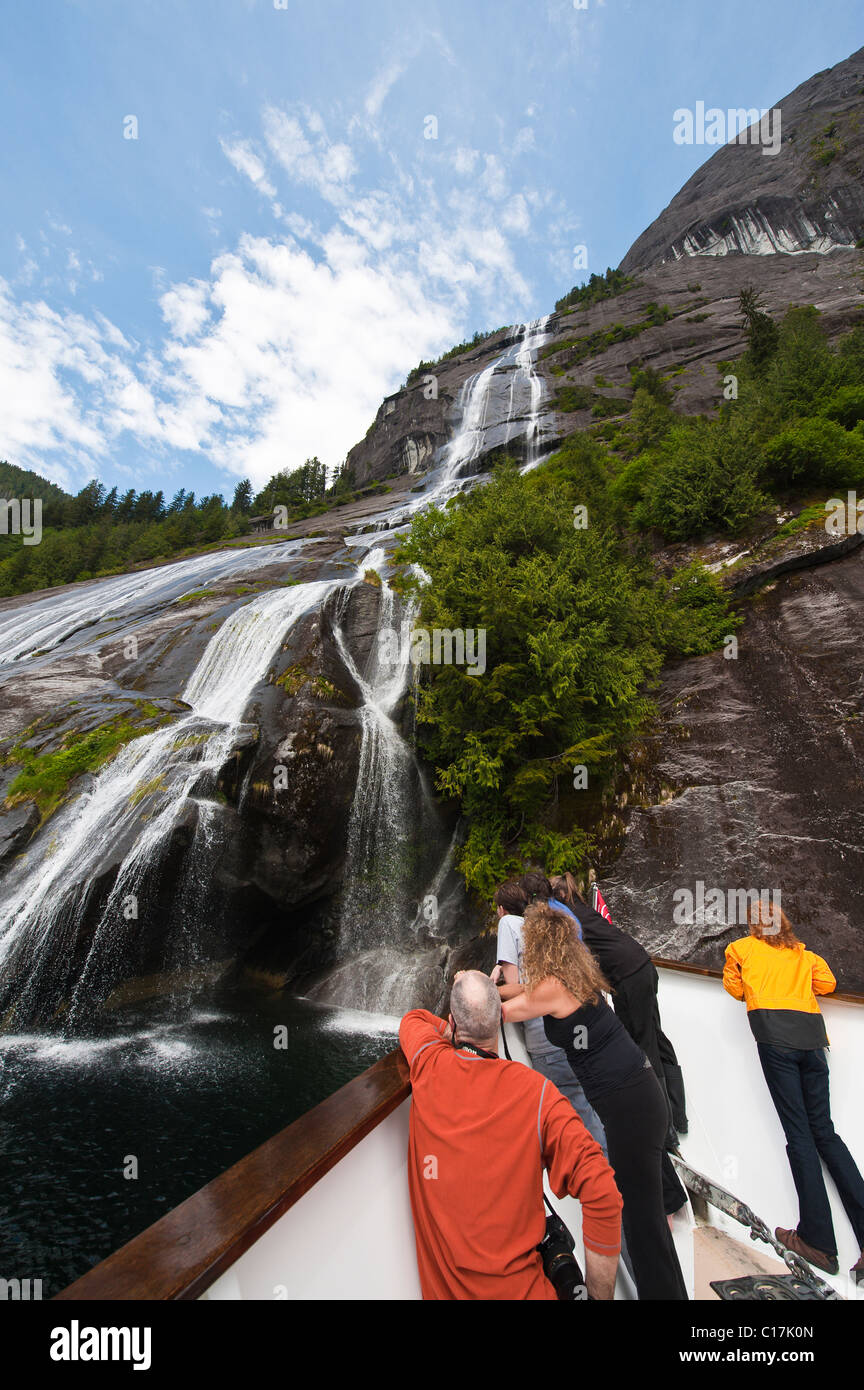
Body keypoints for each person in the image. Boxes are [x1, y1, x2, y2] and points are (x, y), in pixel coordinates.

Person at [399, 970, 623, 1300]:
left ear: (454, 1022)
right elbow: (604, 1196)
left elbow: (413, 1019)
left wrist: (452, 1031)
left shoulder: (428, 1064)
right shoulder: (538, 1095)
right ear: (499, 1022)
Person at [503, 904, 689, 1300]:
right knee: (650, 1222)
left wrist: (470, 987)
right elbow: (521, 993)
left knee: (640, 1228)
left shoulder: (551, 988)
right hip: (640, 1094)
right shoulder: (575, 974)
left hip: (629, 1107)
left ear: (537, 946)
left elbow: (503, 1010)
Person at [724, 901, 864, 1282]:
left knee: (799, 1136)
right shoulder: (804, 955)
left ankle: (818, 1242)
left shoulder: (741, 950)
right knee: (826, 1133)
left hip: (776, 1043)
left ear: (755, 925)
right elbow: (828, 985)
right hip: (813, 1044)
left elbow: (735, 989)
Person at [551, 873, 689, 1144]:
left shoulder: (568, 919)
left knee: (641, 1045)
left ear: (558, 897)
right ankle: (678, 1116)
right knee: (656, 1036)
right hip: (642, 965)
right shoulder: (584, 910)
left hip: (627, 979)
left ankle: (664, 1131)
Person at [494, 879, 607, 1154]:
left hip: (546, 1043)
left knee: (570, 1114)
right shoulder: (552, 943)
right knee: (585, 1105)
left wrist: (480, 988)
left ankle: (604, 1177)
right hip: (574, 1037)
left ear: (501, 909)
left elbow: (517, 989)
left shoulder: (508, 925)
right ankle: (608, 1169)